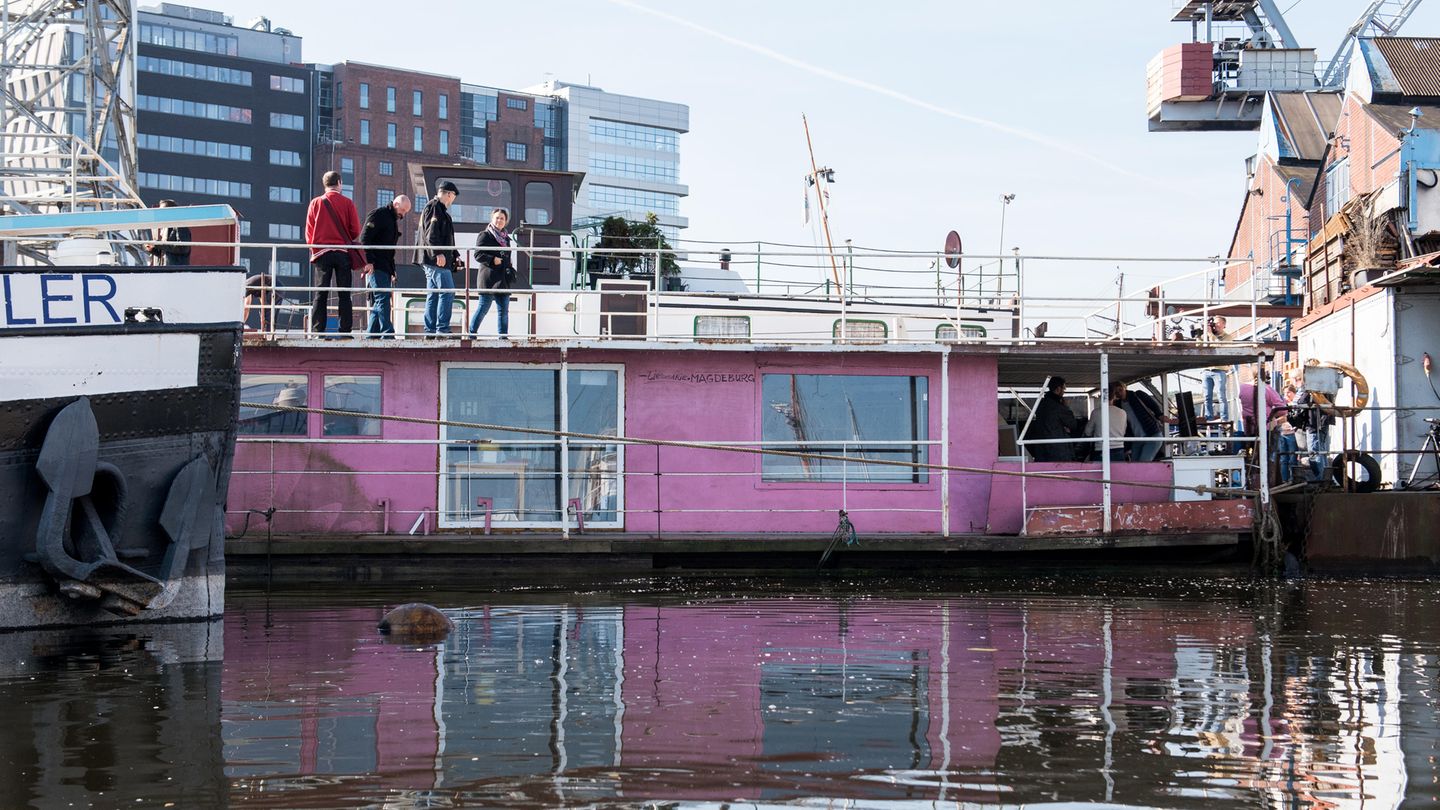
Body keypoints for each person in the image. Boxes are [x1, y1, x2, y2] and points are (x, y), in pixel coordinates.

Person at [304, 171, 363, 335]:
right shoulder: (347, 203)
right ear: (339, 182)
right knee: (344, 292)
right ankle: (345, 330)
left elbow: (309, 231)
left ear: (325, 184)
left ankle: (318, 330)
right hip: (343, 252)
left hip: (322, 253)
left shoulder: (315, 203)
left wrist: (314, 248)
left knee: (320, 292)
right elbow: (355, 230)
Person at [359, 194, 413, 338]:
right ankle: (387, 333)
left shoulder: (391, 220)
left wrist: (392, 270)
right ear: (396, 205)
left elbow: (389, 249)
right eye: (403, 210)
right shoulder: (379, 215)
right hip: (376, 265)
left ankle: (371, 335)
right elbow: (364, 238)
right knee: (382, 298)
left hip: (384, 266)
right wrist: (369, 261)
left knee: (379, 300)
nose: (403, 215)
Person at [419, 180, 461, 335]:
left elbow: (445, 237)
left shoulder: (438, 209)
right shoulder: (435, 207)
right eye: (453, 197)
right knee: (448, 291)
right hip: (436, 260)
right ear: (449, 194)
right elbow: (431, 233)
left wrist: (455, 254)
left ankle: (430, 330)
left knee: (434, 295)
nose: (452, 201)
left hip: (433, 259)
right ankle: (442, 328)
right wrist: (438, 253)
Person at [470, 207, 516, 337]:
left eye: (502, 218)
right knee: (483, 308)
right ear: (492, 219)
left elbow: (506, 255)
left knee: (503, 310)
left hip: (503, 278)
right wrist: (492, 259)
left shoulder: (506, 238)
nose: (499, 220)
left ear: (506, 221)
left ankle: (503, 336)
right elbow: (478, 254)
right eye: (497, 218)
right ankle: (471, 334)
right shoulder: (485, 235)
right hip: (489, 277)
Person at [1024, 376, 1079, 462]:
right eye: (1063, 389)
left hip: (1041, 449)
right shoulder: (1058, 407)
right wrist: (1066, 407)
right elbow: (1073, 424)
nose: (1064, 392)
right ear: (1058, 389)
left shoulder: (1041, 404)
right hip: (1058, 450)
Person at [1083, 383, 1129, 463]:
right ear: (1115, 396)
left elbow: (1087, 432)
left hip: (1101, 450)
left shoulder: (1096, 413)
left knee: (1099, 475)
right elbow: (1124, 431)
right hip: (1119, 450)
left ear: (1101, 395)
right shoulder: (1123, 413)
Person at [1120, 384, 1167, 462]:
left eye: (1120, 389)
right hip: (1137, 439)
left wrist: (1160, 415)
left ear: (1125, 388)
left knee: (1144, 462)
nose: (1119, 393)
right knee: (1134, 463)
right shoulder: (1119, 404)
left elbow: (1153, 405)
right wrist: (1127, 446)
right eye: (1116, 391)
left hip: (1152, 435)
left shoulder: (1137, 395)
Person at [143, 199, 191, 266]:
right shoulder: (166, 228)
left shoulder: (180, 226)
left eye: (162, 211)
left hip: (176, 270)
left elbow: (183, 248)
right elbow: (167, 252)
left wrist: (158, 244)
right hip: (166, 268)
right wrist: (153, 249)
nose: (160, 214)